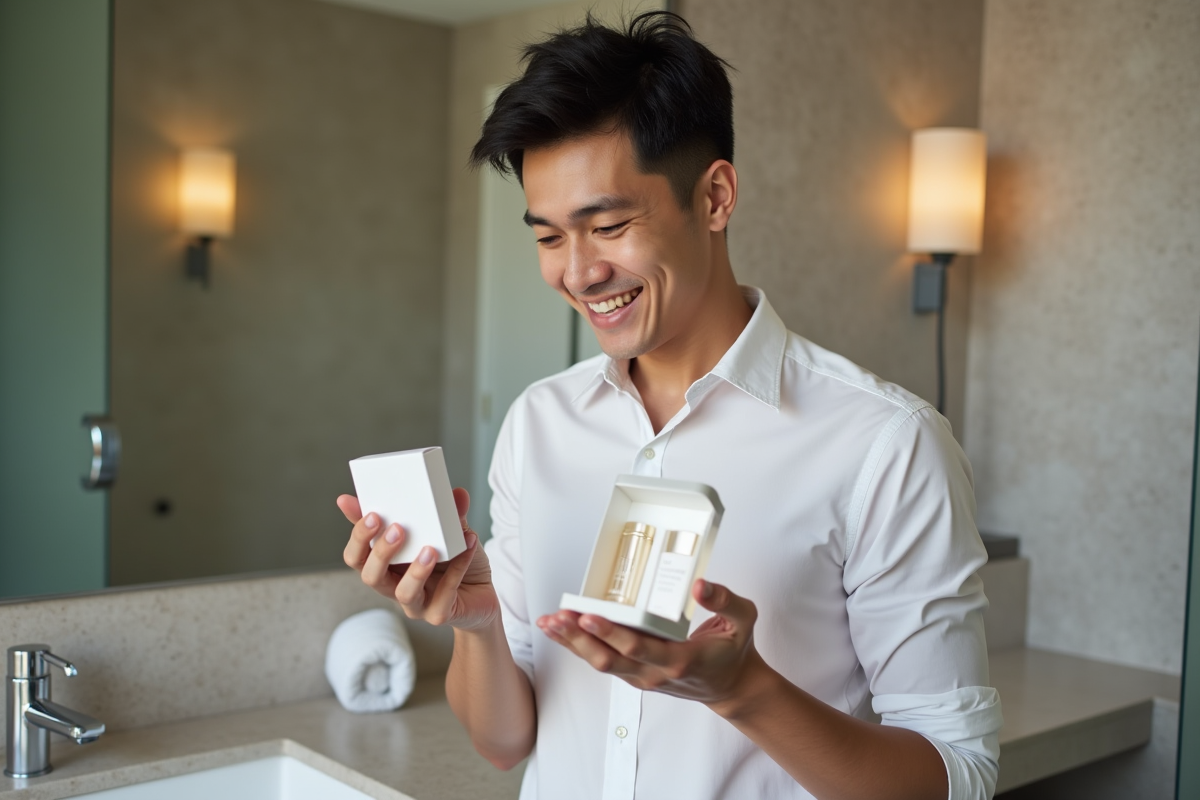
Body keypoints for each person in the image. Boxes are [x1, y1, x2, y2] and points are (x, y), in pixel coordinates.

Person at [339, 11, 1002, 800]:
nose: (578, 273)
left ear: (715, 197)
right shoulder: (538, 426)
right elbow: (504, 743)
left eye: (609, 225)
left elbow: (959, 777)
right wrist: (477, 624)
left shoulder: (885, 444)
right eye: (549, 238)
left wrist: (742, 689)